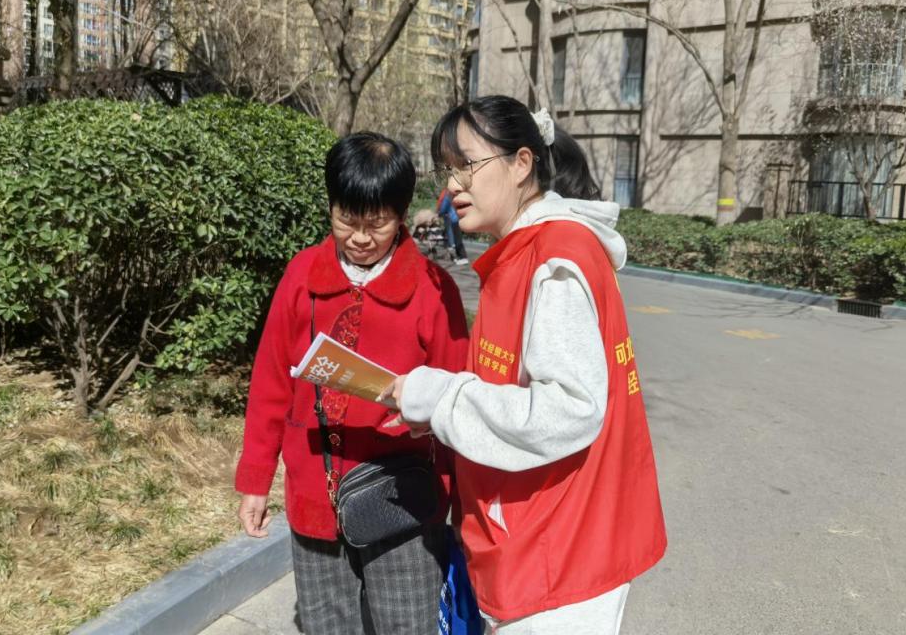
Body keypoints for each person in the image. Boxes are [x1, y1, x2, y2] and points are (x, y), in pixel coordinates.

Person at [382, 97, 667, 634]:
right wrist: (441, 412)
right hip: (549, 536)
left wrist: (442, 398)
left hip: (561, 551)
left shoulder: (554, 259)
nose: (453, 185)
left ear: (521, 164)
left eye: (468, 165)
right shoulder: (526, 252)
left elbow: (569, 408)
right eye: (448, 169)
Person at [235, 132, 470, 635]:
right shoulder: (302, 276)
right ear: (331, 206)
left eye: (377, 223)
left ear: (401, 214)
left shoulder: (433, 290)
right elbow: (270, 383)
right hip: (314, 492)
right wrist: (255, 481)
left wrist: (461, 499)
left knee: (407, 625)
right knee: (326, 625)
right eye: (347, 219)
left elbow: (458, 397)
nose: (360, 237)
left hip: (403, 499)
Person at [438, 187, 469, 265]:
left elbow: (444, 206)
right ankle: (460, 256)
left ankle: (463, 257)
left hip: (453, 218)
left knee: (457, 238)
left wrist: (440, 213)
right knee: (458, 237)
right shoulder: (458, 193)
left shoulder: (448, 194)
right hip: (459, 217)